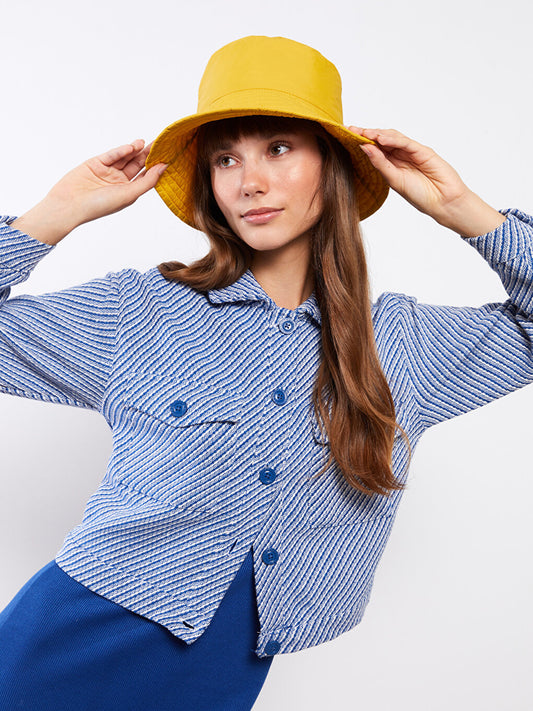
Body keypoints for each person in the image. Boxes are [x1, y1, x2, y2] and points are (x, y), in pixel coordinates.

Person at [0, 34, 532, 710]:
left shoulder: (404, 346)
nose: (248, 180)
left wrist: (464, 212)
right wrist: (55, 213)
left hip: (224, 670)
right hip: (64, 642)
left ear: (331, 166)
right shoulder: (140, 311)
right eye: (225, 159)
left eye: (278, 148)